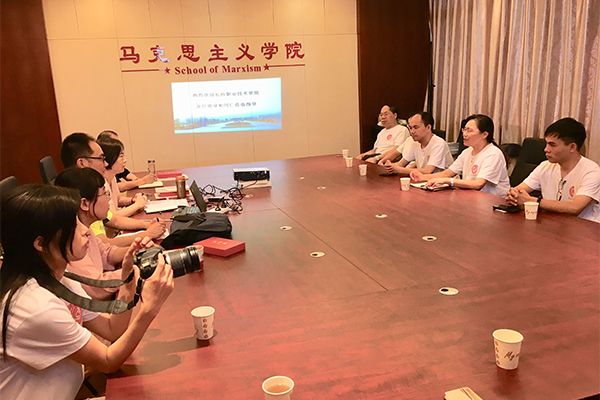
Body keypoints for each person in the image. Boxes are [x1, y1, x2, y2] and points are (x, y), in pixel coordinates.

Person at [0, 184, 173, 400]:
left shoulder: (58, 279)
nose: (86, 231)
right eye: (73, 226)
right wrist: (149, 310)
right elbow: (108, 361)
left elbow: (112, 330)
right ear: (41, 244)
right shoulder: (36, 307)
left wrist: (127, 280)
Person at [55, 167, 154, 299]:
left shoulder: (83, 225)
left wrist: (136, 251)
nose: (109, 200)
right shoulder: (72, 239)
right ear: (84, 203)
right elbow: (98, 287)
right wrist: (139, 269)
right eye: (105, 194)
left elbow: (105, 253)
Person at [60, 132, 166, 244]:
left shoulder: (91, 187)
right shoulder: (81, 196)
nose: (106, 164)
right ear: (82, 163)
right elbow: (102, 244)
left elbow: (114, 220)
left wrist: (147, 224)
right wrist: (147, 234)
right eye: (101, 158)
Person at [506, 118, 600, 222]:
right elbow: (519, 190)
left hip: (583, 227)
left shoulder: (592, 171)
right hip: (551, 223)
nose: (546, 149)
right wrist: (514, 195)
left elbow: (575, 207)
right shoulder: (545, 166)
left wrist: (531, 200)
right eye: (546, 144)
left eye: (552, 145)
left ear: (572, 147)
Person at [410, 114, 510, 196]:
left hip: (493, 202)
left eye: (469, 130)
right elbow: (447, 173)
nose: (464, 134)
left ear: (484, 134)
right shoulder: (467, 152)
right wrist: (422, 177)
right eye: (464, 130)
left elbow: (478, 184)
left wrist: (448, 181)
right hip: (472, 198)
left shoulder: (493, 154)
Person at [383, 111, 453, 175]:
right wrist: (390, 166)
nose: (412, 131)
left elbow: (427, 171)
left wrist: (399, 169)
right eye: (410, 128)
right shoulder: (414, 141)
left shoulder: (439, 143)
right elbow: (401, 164)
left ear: (428, 127)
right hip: (423, 180)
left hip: (445, 182)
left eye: (416, 127)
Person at [96, 136, 148, 218]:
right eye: (121, 156)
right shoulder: (100, 183)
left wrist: (132, 200)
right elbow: (112, 217)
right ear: (109, 158)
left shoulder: (112, 177)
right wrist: (137, 205)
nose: (125, 160)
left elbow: (118, 200)